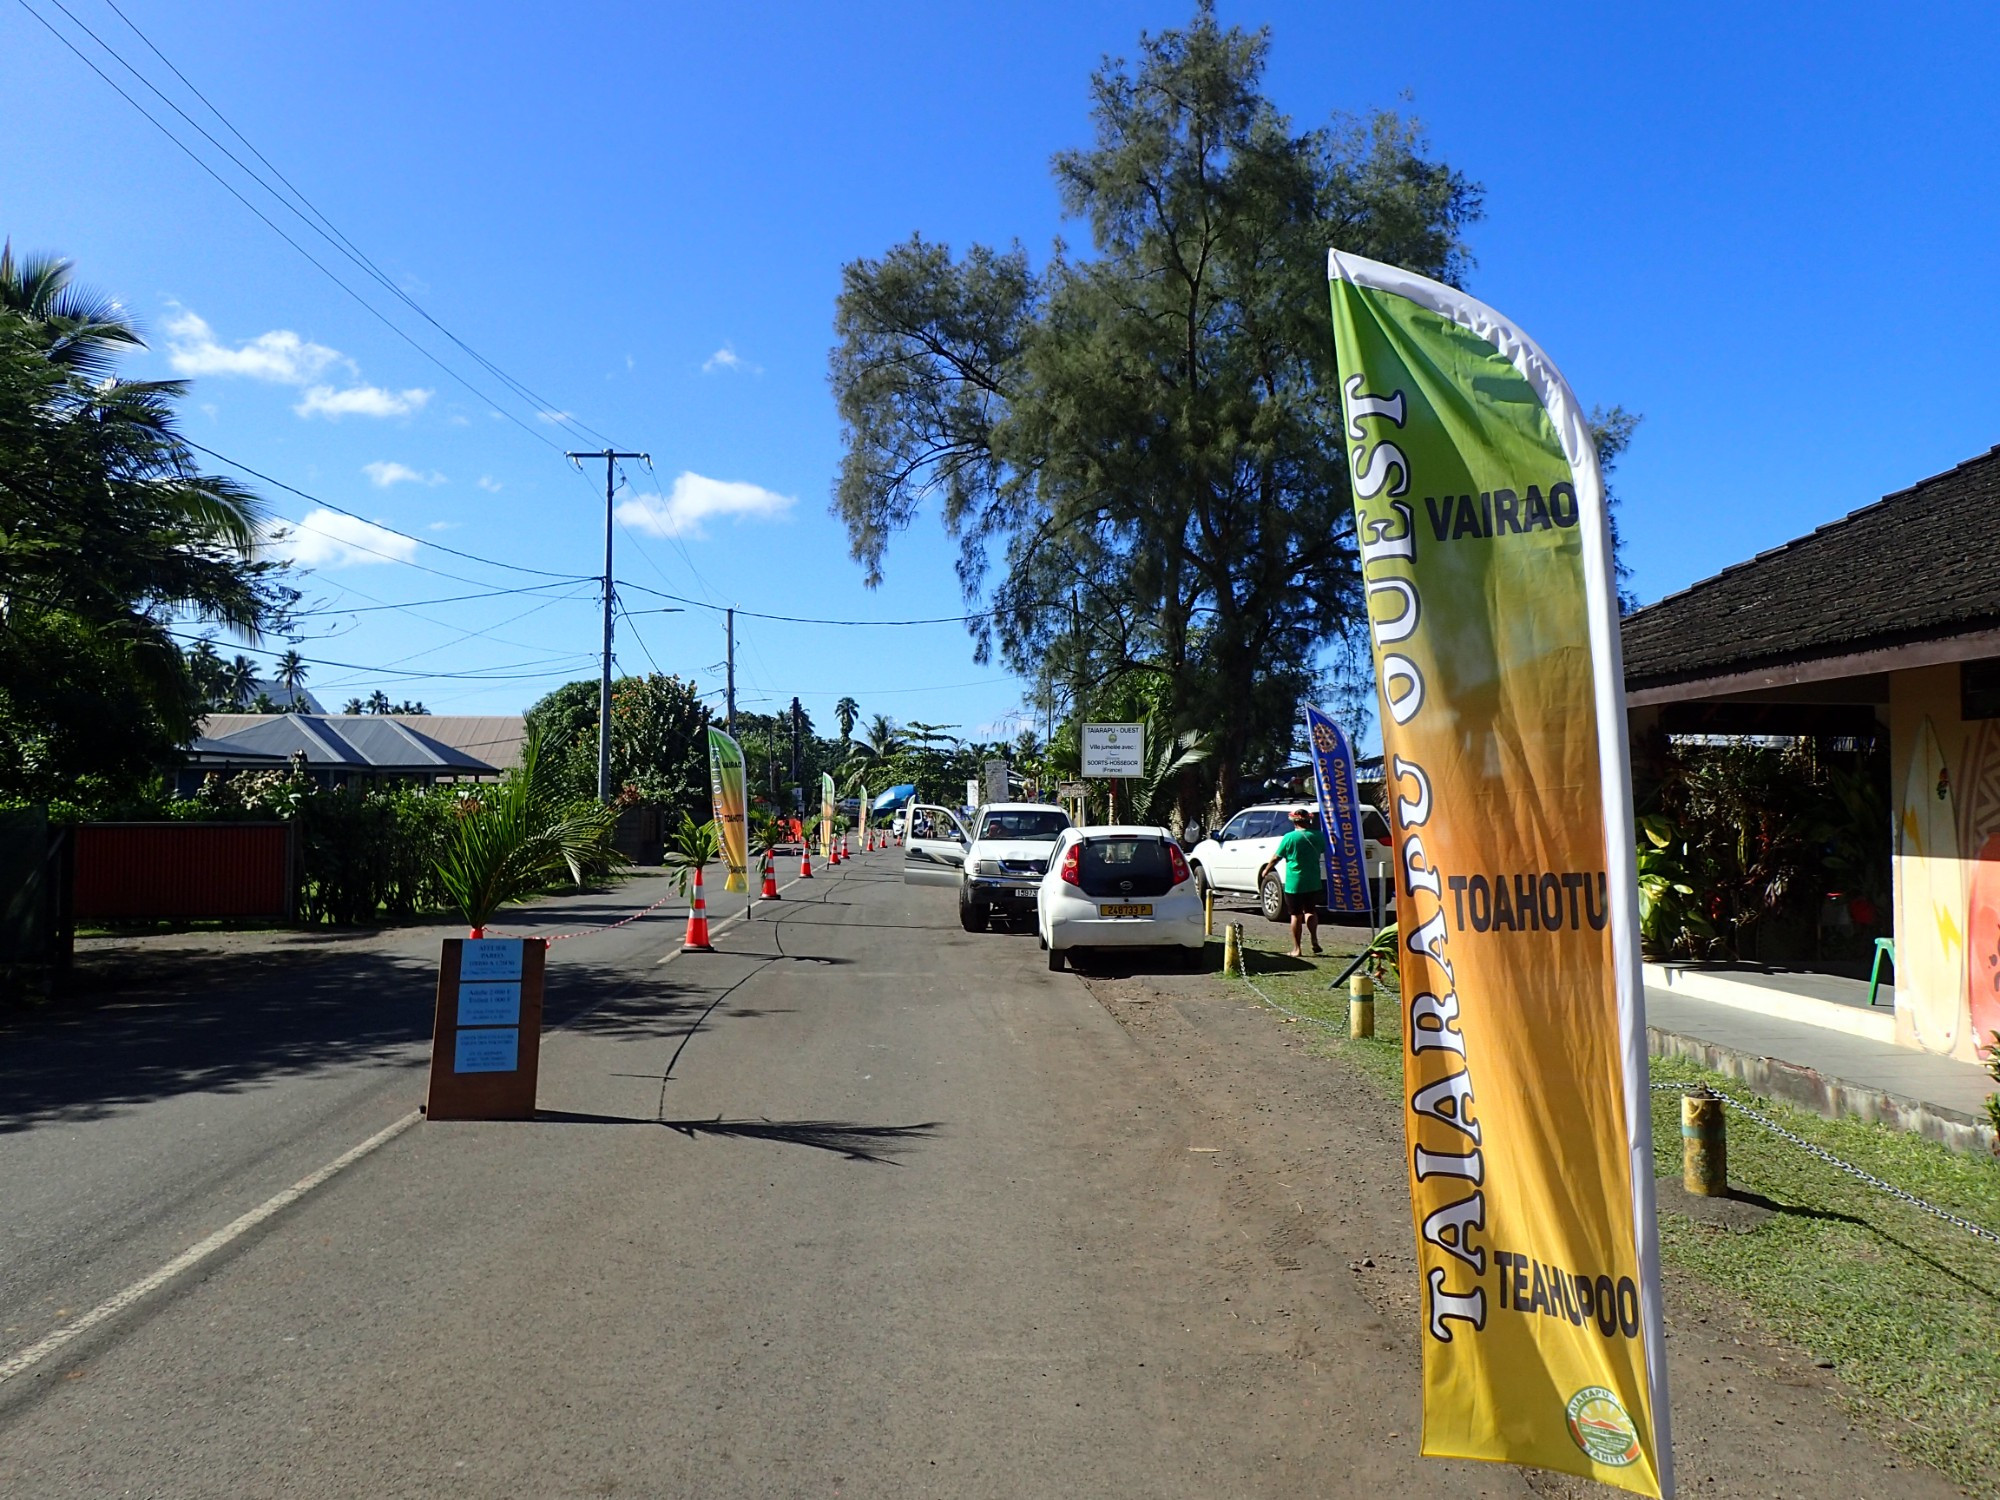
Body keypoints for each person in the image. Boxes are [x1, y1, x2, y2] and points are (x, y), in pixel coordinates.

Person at [1259, 807, 1326, 958]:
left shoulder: (1289, 838)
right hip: (1313, 880)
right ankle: (1314, 939)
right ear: (1308, 821)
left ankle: (1297, 949)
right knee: (1311, 911)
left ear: (1294, 822)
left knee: (1296, 915)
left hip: (1294, 882)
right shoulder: (1318, 836)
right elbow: (1323, 850)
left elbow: (1277, 857)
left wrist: (1266, 870)